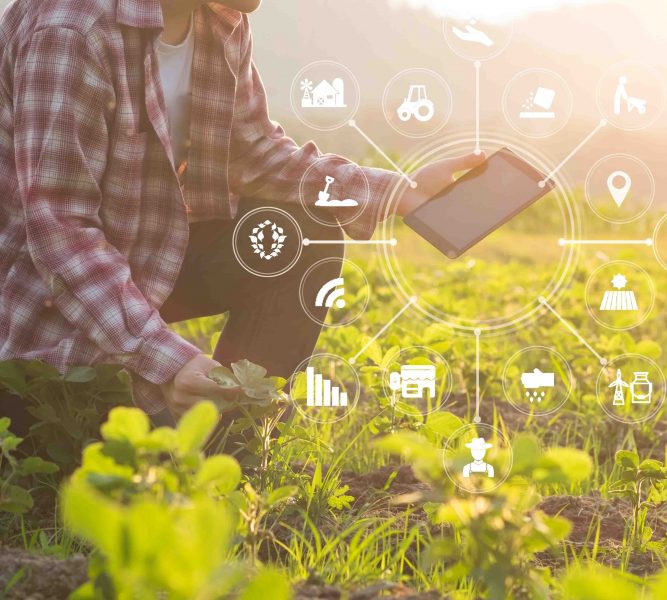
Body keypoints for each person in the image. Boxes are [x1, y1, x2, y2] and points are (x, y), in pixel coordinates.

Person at [0, 0, 483, 427]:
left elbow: (250, 150)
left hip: (142, 267)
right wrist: (165, 360)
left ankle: (229, 444)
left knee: (304, 234)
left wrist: (401, 192)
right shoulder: (69, 30)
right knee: (71, 453)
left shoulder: (219, 17)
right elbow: (60, 230)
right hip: (41, 311)